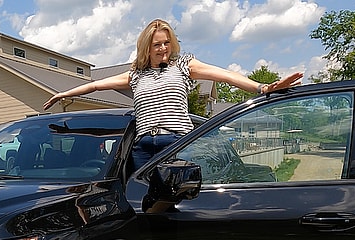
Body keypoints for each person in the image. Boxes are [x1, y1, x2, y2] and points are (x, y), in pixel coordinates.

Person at [43, 19, 304, 169]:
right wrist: (63, 93)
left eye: (167, 43)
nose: (164, 48)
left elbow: (223, 74)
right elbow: (96, 85)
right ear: (147, 47)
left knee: (177, 199)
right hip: (143, 146)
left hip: (177, 143)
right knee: (144, 203)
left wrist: (261, 87)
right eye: (157, 44)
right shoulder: (136, 75)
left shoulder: (183, 65)